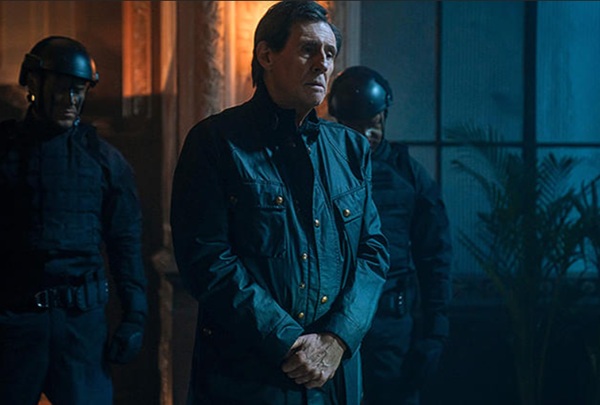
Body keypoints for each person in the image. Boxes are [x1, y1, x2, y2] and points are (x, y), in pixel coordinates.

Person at [170, 2, 390, 404]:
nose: (322, 64)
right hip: (251, 377)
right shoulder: (216, 142)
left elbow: (373, 252)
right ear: (266, 55)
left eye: (329, 53)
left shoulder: (351, 149)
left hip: (335, 376)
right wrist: (289, 341)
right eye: (308, 50)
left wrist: (339, 337)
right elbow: (207, 260)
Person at [0, 36, 148, 404]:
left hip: (80, 325)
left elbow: (126, 243)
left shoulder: (104, 160)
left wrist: (135, 315)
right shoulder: (5, 152)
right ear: (35, 84)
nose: (70, 100)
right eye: (61, 88)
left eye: (78, 90)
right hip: (15, 320)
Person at [328, 66, 452, 405]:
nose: (366, 134)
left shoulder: (408, 174)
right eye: (355, 126)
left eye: (373, 124)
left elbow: (435, 256)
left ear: (383, 117)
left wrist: (435, 333)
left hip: (392, 326)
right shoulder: (321, 168)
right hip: (330, 326)